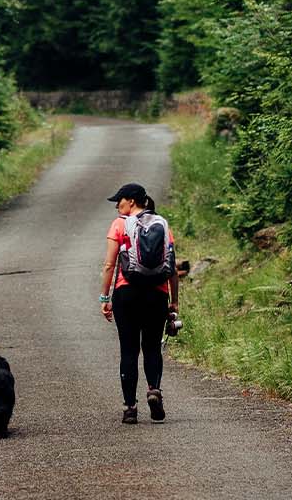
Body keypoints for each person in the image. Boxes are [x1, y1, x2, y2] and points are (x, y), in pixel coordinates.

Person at [100, 182, 180, 424]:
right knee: (152, 347)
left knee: (129, 349)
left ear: (132, 201)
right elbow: (172, 268)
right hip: (156, 294)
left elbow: (109, 265)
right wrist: (174, 301)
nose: (117, 206)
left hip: (127, 293)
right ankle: (154, 389)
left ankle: (130, 408)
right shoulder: (162, 223)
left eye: (120, 201)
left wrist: (105, 298)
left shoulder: (120, 224)